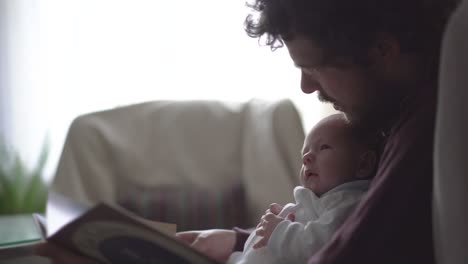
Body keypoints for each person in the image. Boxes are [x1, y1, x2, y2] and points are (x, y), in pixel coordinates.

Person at [35, 0, 461, 263]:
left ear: (382, 50)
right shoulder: (403, 117)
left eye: (312, 68)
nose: (308, 88)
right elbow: (346, 234)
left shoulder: (426, 130)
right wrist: (239, 241)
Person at [227, 113, 379, 264]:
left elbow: (321, 245)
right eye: (304, 153)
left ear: (364, 164)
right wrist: (273, 223)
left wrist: (279, 231)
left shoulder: (349, 202)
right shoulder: (321, 199)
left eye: (323, 147)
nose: (306, 158)